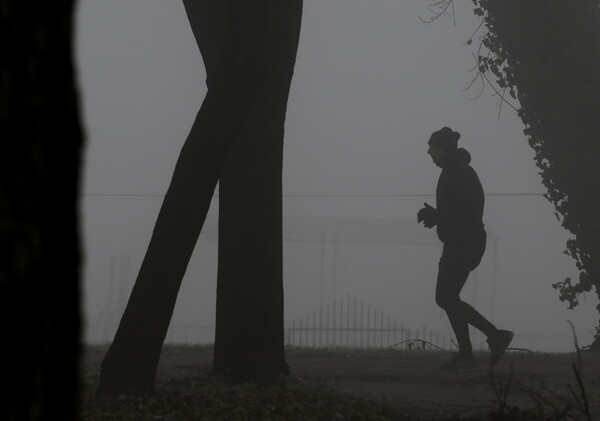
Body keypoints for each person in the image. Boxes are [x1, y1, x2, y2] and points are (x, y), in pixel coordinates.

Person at [417, 127, 513, 370]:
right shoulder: (452, 171)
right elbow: (458, 210)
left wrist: (439, 216)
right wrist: (438, 216)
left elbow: (468, 210)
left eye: (433, 148)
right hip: (459, 242)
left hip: (465, 243)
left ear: (443, 149)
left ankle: (472, 351)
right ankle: (492, 338)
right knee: (447, 297)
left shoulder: (459, 172)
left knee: (446, 297)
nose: (428, 152)